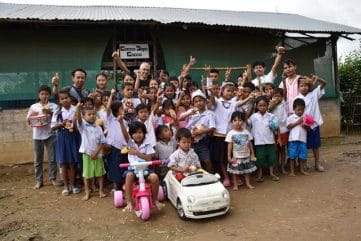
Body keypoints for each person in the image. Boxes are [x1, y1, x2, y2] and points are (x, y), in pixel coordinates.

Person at [26, 85, 61, 189]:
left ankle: (53, 178)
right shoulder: (34, 106)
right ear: (39, 95)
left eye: (46, 94)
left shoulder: (53, 106)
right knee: (38, 160)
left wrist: (49, 112)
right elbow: (28, 121)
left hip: (50, 134)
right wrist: (32, 115)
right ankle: (39, 181)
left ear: (49, 95)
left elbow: (58, 117)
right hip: (37, 135)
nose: (44, 96)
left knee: (52, 158)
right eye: (42, 94)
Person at [123, 121, 163, 211]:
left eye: (140, 132)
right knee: (129, 176)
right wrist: (121, 122)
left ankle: (155, 200)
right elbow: (124, 134)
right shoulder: (130, 143)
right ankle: (129, 201)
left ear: (144, 133)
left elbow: (149, 159)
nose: (138, 135)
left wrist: (137, 153)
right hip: (133, 169)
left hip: (145, 169)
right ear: (131, 134)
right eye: (135, 133)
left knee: (154, 177)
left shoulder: (147, 144)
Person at [51, 89, 81, 196]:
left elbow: (80, 123)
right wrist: (62, 124)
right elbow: (53, 128)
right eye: (62, 99)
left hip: (73, 136)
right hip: (62, 137)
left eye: (66, 98)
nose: (65, 100)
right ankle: (66, 186)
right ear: (59, 101)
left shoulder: (76, 109)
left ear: (70, 98)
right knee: (64, 163)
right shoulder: (58, 112)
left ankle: (73, 185)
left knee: (72, 162)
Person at [294, 75, 327, 172]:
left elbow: (324, 83)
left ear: (309, 86)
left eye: (306, 85)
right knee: (304, 145)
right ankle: (304, 163)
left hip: (314, 125)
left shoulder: (314, 94)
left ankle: (317, 163)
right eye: (301, 85)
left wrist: (317, 79)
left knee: (315, 145)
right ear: (298, 88)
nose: (304, 87)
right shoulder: (297, 99)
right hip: (303, 126)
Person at [75, 104, 107, 200]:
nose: (92, 116)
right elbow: (79, 120)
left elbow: (102, 142)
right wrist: (78, 109)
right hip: (87, 154)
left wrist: (96, 152)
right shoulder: (83, 127)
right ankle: (87, 192)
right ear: (84, 116)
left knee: (100, 174)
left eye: (93, 114)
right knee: (86, 174)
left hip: (98, 155)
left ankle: (101, 191)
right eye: (89, 114)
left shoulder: (98, 128)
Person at [180, 90, 216, 172]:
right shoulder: (192, 112)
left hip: (202, 141)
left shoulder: (209, 114)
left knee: (207, 160)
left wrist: (201, 132)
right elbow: (180, 118)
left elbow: (212, 128)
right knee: (190, 162)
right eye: (196, 101)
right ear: (193, 104)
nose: (198, 103)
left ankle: (211, 176)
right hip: (189, 142)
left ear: (205, 101)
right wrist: (189, 113)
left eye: (200, 100)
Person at [247, 96, 280, 182]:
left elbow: (276, 127)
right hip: (258, 141)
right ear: (256, 106)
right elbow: (247, 121)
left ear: (267, 105)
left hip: (270, 140)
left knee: (272, 157)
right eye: (260, 105)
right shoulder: (253, 116)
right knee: (260, 158)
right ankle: (260, 174)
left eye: (264, 105)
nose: (262, 107)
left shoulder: (271, 116)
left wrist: (278, 137)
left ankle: (272, 173)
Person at [105, 89, 129, 191]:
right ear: (115, 111)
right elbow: (108, 108)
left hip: (124, 148)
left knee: (124, 166)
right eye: (121, 108)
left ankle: (124, 184)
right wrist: (111, 94)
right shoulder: (111, 119)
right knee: (114, 166)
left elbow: (126, 135)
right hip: (114, 147)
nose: (123, 110)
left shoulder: (125, 121)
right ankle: (115, 186)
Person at [226, 111, 257, 190]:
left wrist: (252, 154)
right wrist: (229, 156)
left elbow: (250, 143)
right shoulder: (231, 133)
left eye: (240, 120)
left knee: (246, 171)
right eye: (235, 120)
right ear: (231, 122)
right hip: (236, 157)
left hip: (246, 156)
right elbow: (230, 145)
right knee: (235, 172)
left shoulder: (246, 132)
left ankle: (248, 183)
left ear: (243, 121)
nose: (237, 122)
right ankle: (235, 185)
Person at [287, 98, 309, 176]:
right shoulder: (290, 117)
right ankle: (292, 171)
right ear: (294, 109)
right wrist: (298, 122)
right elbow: (288, 127)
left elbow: (308, 129)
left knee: (302, 156)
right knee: (292, 156)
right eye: (298, 109)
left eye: (302, 110)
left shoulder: (306, 117)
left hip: (303, 140)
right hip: (293, 140)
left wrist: (305, 125)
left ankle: (302, 170)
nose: (300, 111)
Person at [270, 88, 289, 174]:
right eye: (275, 96)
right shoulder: (271, 104)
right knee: (275, 150)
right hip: (274, 131)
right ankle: (276, 167)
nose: (277, 98)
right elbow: (269, 110)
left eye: (279, 96)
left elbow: (285, 91)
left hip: (283, 130)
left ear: (282, 97)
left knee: (283, 150)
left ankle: (283, 167)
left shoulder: (284, 103)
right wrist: (273, 104)